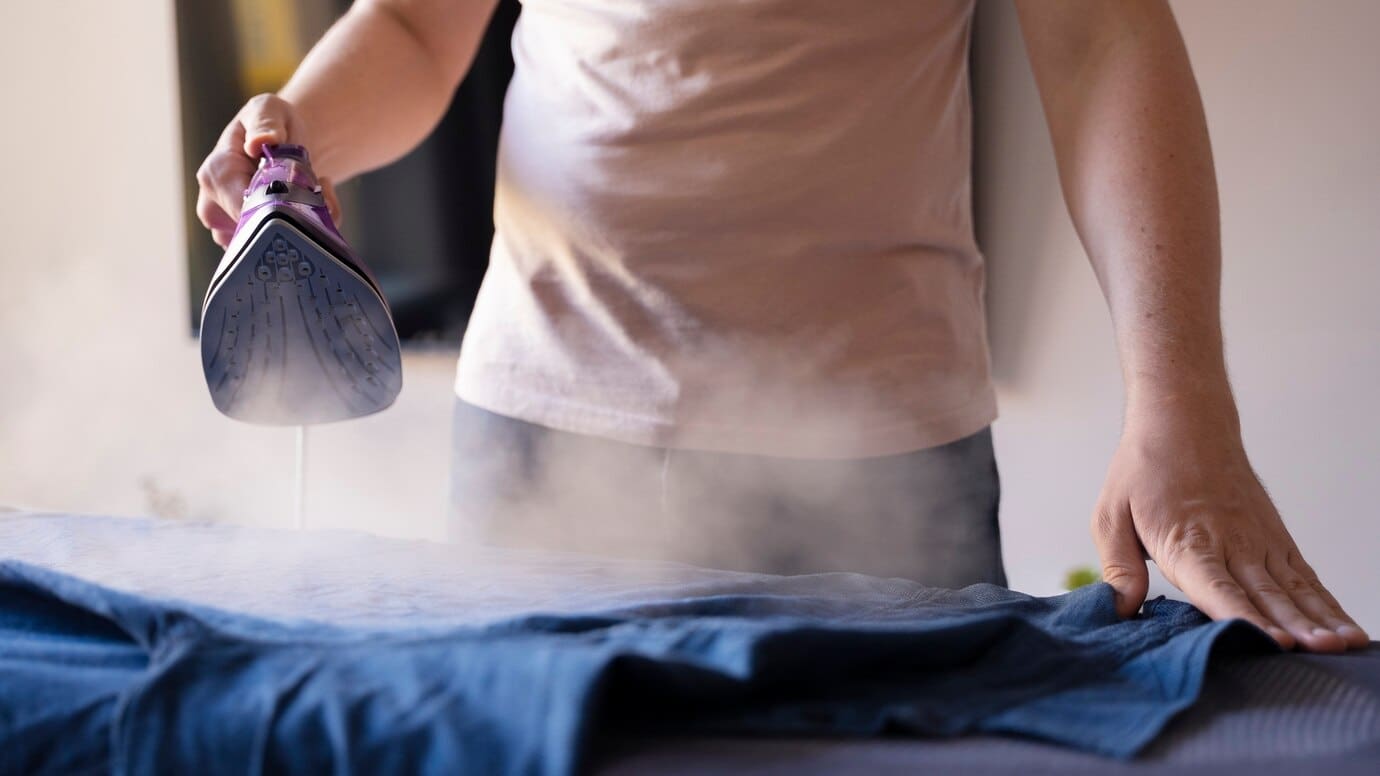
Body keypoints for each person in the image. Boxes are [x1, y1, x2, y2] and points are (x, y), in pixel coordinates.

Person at [195, 0, 1367, 652]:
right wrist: (303, 126)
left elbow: (1099, 33)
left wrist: (1180, 402)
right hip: (541, 430)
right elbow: (412, 24)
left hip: (880, 454)